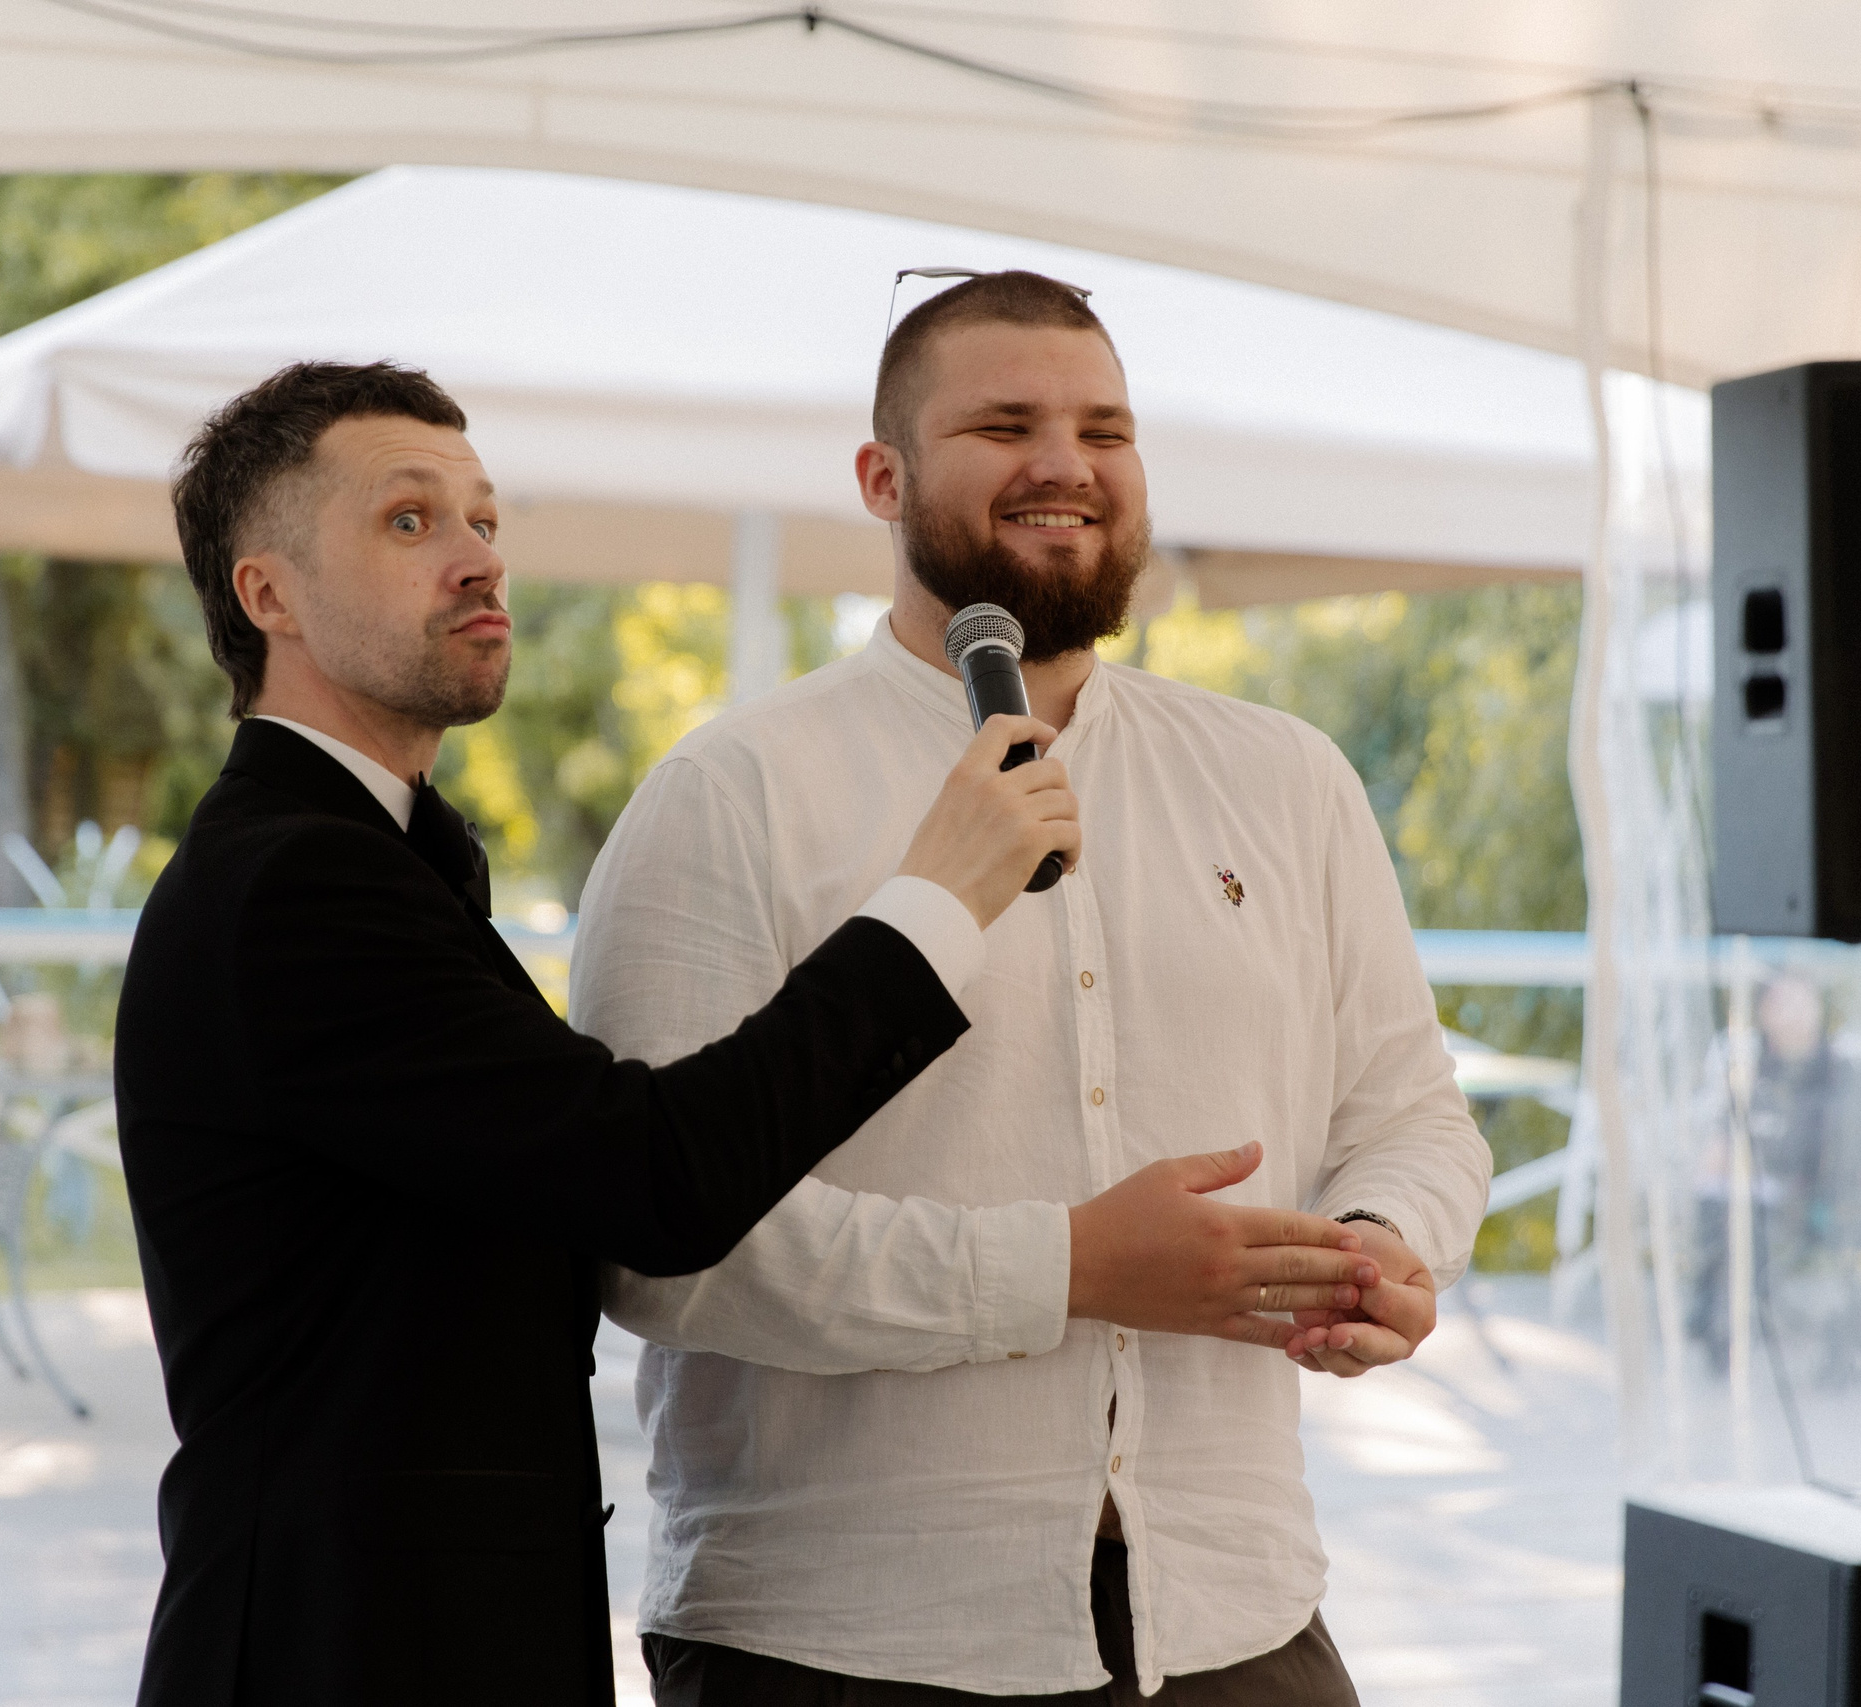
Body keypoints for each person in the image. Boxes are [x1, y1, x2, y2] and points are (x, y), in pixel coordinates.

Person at [111, 359, 1272, 1707]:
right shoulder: (294, 886)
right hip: (338, 1647)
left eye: (487, 518)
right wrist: (942, 898)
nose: (480, 559)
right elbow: (657, 1179)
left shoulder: (381, 861)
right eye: (411, 521)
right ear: (270, 595)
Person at [576, 273, 1496, 1703]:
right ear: (883, 478)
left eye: (1105, 430)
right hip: (846, 1639)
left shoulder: (1287, 779)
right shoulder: (731, 792)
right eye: (1006, 423)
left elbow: (1416, 1115)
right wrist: (1065, 1270)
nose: (1067, 463)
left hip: (1239, 1613)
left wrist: (1378, 1245)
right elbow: (658, 1252)